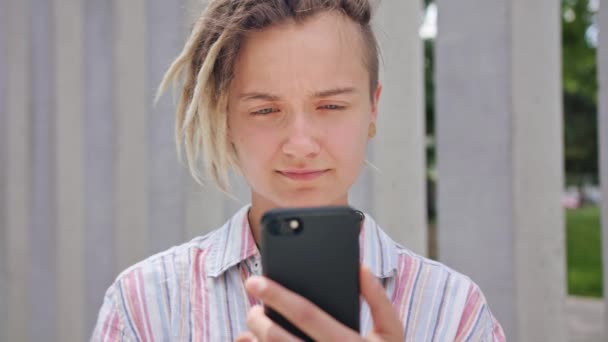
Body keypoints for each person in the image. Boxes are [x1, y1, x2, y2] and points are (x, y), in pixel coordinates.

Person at [91, 0, 506, 341]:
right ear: (226, 118)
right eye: (266, 110)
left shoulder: (454, 311)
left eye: (330, 106)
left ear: (373, 108)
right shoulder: (145, 306)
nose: (301, 145)